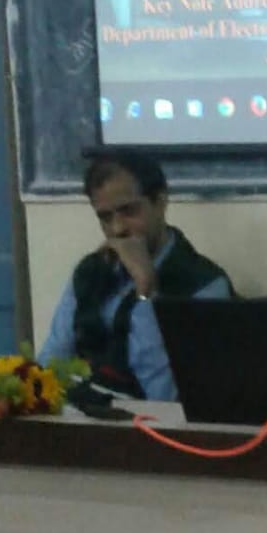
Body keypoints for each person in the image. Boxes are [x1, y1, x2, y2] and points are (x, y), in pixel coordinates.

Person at [38, 149, 234, 400]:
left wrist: (146, 291)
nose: (118, 228)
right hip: (84, 414)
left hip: (150, 421)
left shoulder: (204, 284)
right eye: (105, 217)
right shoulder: (90, 271)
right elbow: (51, 365)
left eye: (129, 211)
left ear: (160, 202)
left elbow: (170, 398)